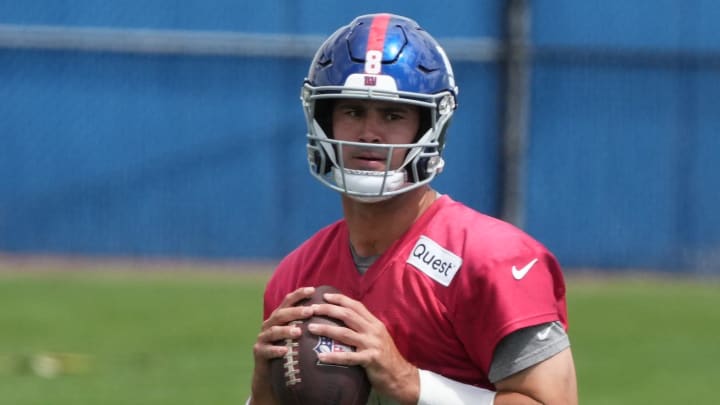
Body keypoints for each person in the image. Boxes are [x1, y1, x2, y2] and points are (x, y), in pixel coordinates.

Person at [250, 13, 577, 405]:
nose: (369, 132)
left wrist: (412, 384)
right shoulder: (297, 277)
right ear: (324, 120)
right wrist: (264, 389)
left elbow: (551, 401)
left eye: (393, 114)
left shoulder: (493, 261)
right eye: (352, 111)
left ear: (429, 127)